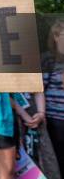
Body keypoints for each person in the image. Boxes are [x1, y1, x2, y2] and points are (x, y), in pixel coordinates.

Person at [42, 19, 64, 175]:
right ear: (56, 36)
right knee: (59, 158)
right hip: (56, 119)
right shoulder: (48, 59)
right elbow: (40, 89)